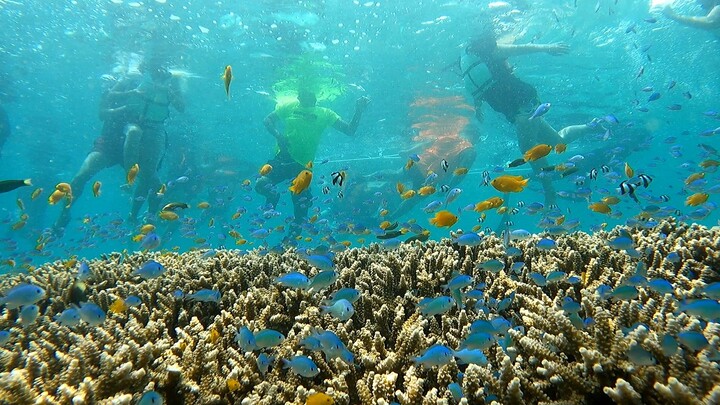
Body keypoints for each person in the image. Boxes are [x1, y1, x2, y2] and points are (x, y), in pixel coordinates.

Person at [461, 29, 599, 205]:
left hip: (523, 100)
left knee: (528, 149)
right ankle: (591, 126)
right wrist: (477, 105)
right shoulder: (468, 60)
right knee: (558, 141)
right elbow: (477, 83)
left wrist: (547, 47)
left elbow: (520, 48)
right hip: (512, 109)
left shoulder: (489, 51)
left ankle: (550, 192)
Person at [256, 89, 369, 229]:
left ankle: (293, 243)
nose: (304, 96)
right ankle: (273, 198)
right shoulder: (289, 106)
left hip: (304, 166)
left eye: (309, 93)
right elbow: (267, 120)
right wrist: (278, 135)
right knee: (261, 184)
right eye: (302, 94)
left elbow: (350, 130)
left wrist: (358, 110)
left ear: (316, 96)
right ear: (299, 96)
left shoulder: (326, 113)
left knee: (300, 210)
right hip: (283, 157)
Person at [53, 74, 145, 234]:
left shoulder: (143, 91)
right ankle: (64, 212)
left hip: (135, 145)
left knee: (146, 181)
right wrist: (125, 108)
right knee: (80, 176)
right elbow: (102, 114)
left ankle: (137, 219)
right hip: (108, 143)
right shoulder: (111, 92)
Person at [126, 62, 185, 223]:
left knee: (148, 173)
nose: (159, 71)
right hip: (136, 124)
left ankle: (142, 214)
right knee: (147, 174)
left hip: (157, 129)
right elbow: (127, 99)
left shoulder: (173, 81)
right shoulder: (140, 74)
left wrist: (169, 91)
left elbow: (181, 106)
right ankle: (144, 213)